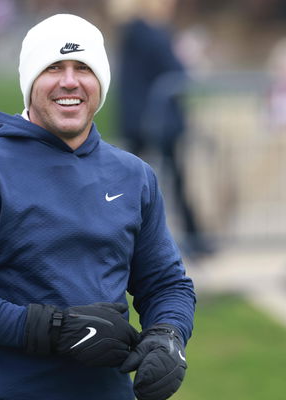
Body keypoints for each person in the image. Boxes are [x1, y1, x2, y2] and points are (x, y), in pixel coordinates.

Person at [0, 14, 195, 400]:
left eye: (84, 68)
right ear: (30, 81)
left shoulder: (134, 175)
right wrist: (54, 329)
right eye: (53, 68)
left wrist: (169, 335)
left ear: (101, 82)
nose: (70, 81)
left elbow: (166, 284)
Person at [113, 0, 212, 258]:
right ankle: (193, 239)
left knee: (134, 185)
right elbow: (176, 70)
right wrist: (189, 55)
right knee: (171, 183)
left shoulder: (131, 34)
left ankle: (130, 241)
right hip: (157, 122)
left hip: (138, 120)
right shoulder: (152, 34)